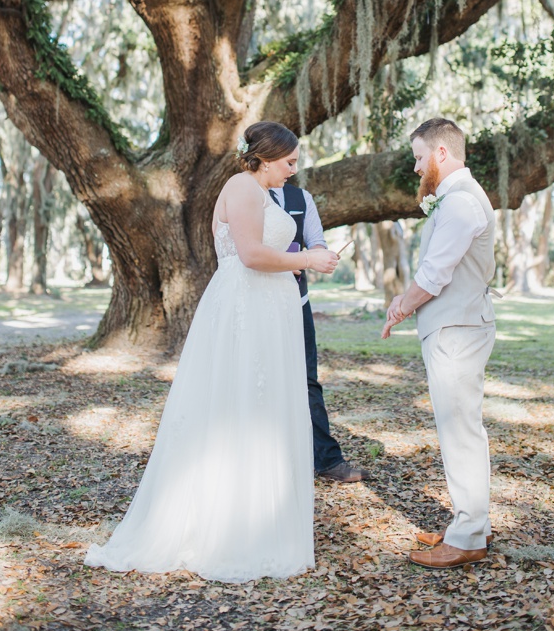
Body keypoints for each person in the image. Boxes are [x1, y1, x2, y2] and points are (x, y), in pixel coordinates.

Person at [85, 123, 337, 582]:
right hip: (247, 307)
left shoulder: (261, 189)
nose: (294, 169)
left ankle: (262, 516)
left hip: (268, 310)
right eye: (289, 161)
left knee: (265, 410)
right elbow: (251, 254)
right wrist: (308, 260)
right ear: (264, 156)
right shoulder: (242, 187)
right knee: (239, 405)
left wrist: (310, 258)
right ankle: (226, 527)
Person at [382, 118, 499, 568]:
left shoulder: (461, 204)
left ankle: (468, 537)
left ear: (441, 154)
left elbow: (434, 274)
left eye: (418, 157)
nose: (415, 168)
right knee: (463, 428)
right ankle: (471, 524)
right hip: (454, 328)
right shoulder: (454, 200)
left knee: (461, 432)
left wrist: (401, 306)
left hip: (457, 332)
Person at [265, 166, 363, 485]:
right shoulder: (244, 194)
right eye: (288, 161)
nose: (294, 169)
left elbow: (315, 241)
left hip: (297, 302)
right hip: (258, 303)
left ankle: (327, 459)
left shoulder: (301, 198)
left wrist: (319, 256)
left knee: (308, 380)